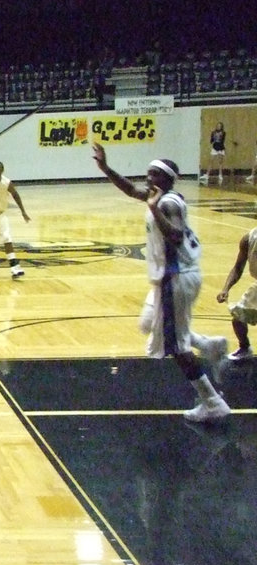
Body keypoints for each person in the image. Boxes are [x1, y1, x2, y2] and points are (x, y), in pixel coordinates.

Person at [93, 142, 231, 422]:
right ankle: (209, 346)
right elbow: (132, 190)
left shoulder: (166, 203)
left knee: (176, 348)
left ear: (167, 178)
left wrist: (154, 209)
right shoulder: (162, 196)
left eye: (154, 174)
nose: (148, 178)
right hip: (169, 279)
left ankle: (212, 402)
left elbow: (176, 236)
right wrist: (105, 167)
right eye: (148, 173)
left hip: (175, 278)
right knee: (147, 323)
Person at [215, 226, 257, 360]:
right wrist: (225, 289)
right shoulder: (248, 239)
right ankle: (245, 347)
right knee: (238, 318)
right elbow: (238, 268)